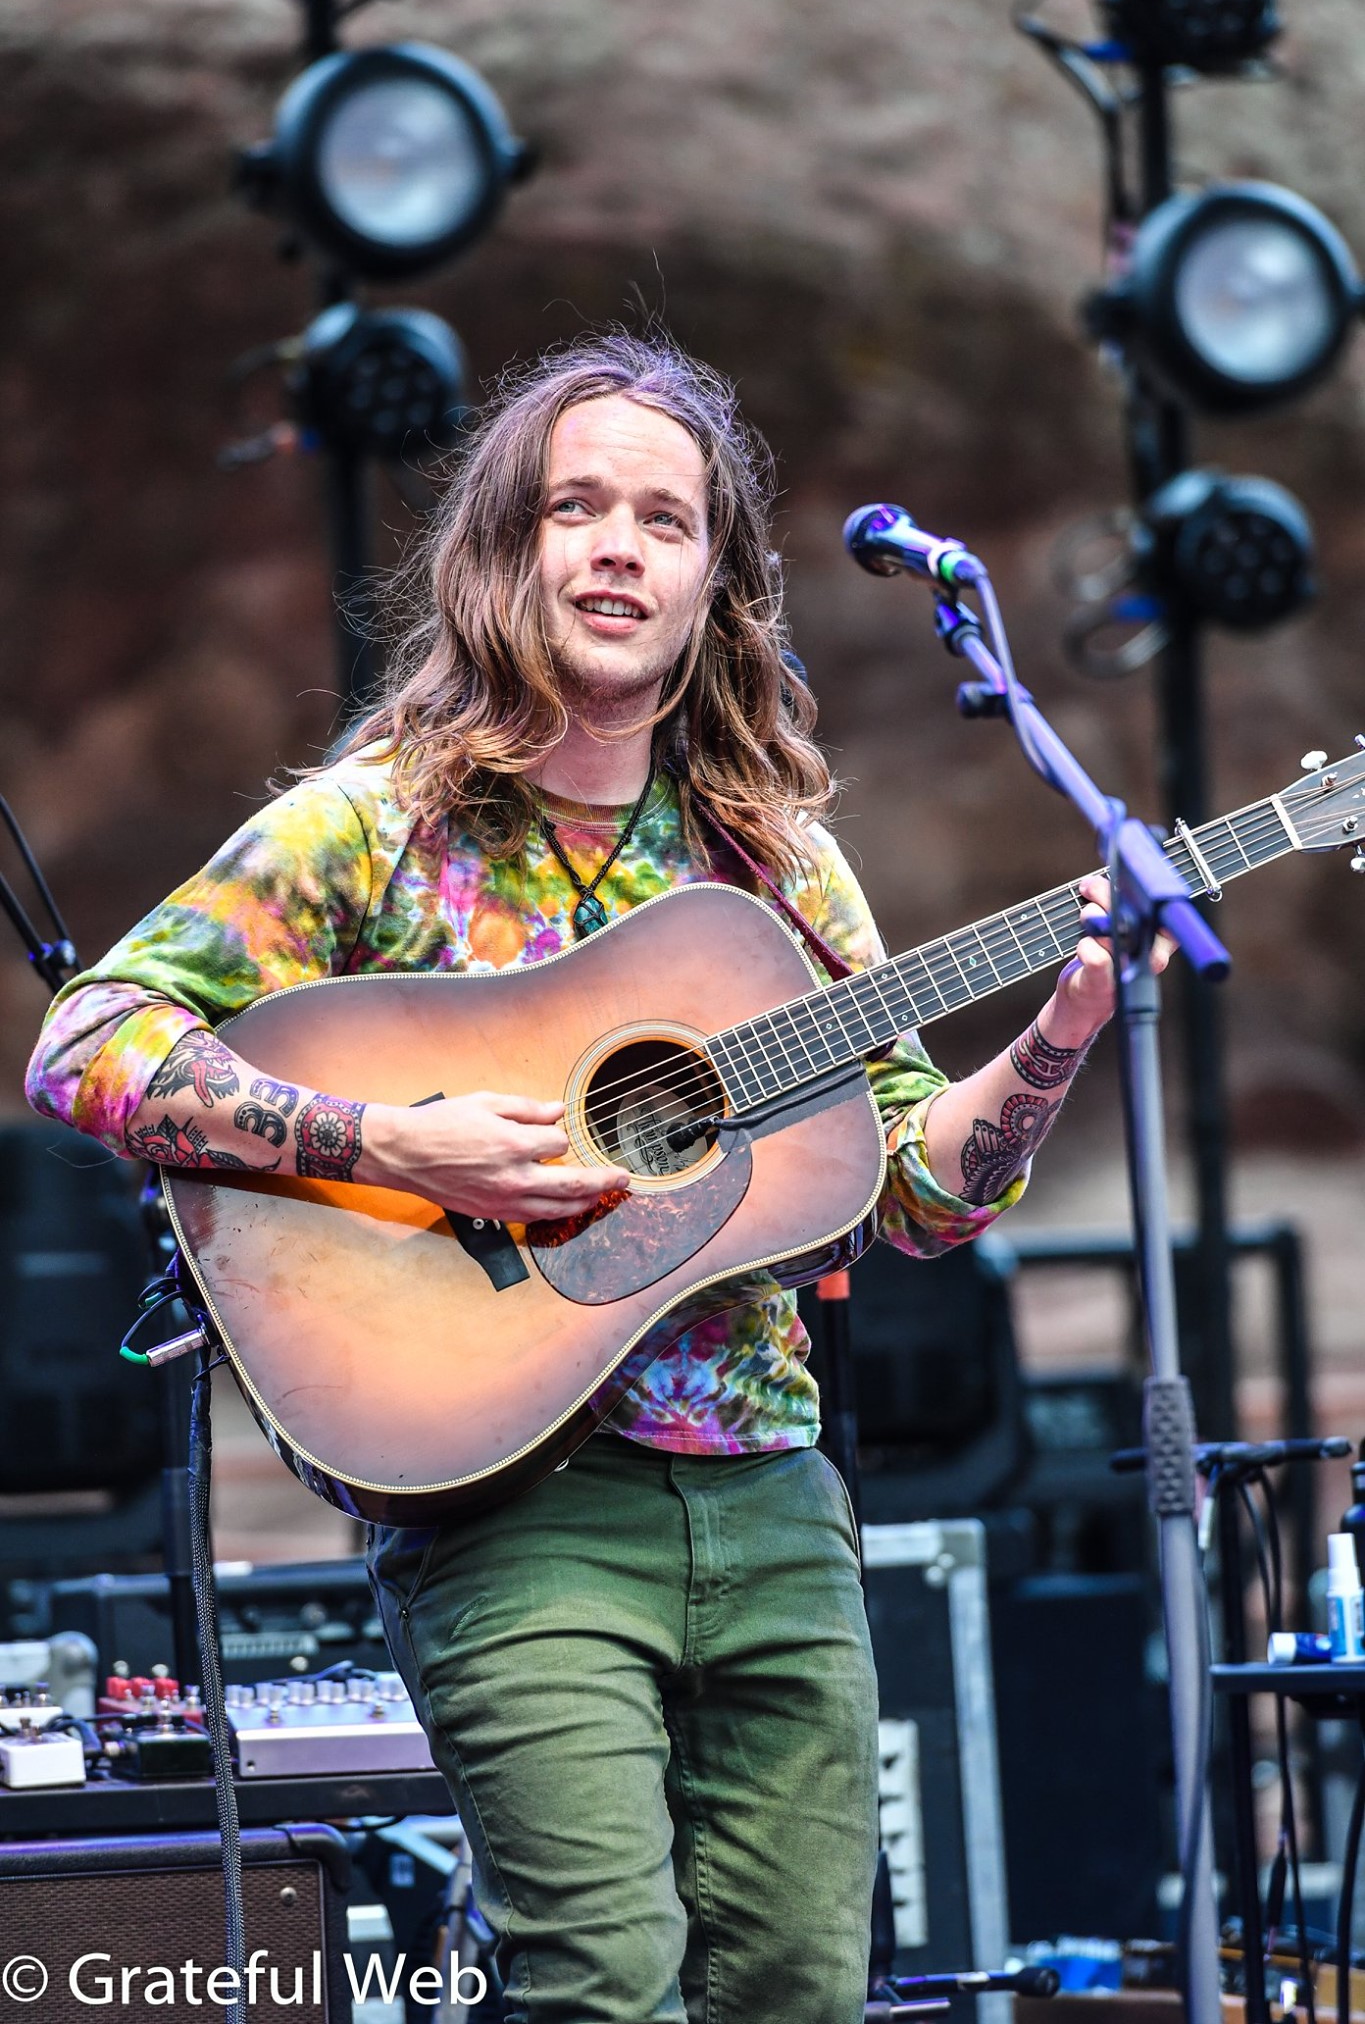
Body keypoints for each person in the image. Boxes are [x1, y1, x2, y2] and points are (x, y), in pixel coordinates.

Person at [26, 333, 1164, 2024]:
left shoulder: (770, 869)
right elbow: (87, 1039)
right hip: (513, 1507)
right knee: (602, 1984)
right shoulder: (371, 828)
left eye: (664, 518)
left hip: (773, 1499)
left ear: (716, 583)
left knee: (796, 1987)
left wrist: (1068, 1018)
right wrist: (378, 1141)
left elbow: (919, 1191)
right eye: (577, 507)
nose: (619, 545)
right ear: (507, 552)